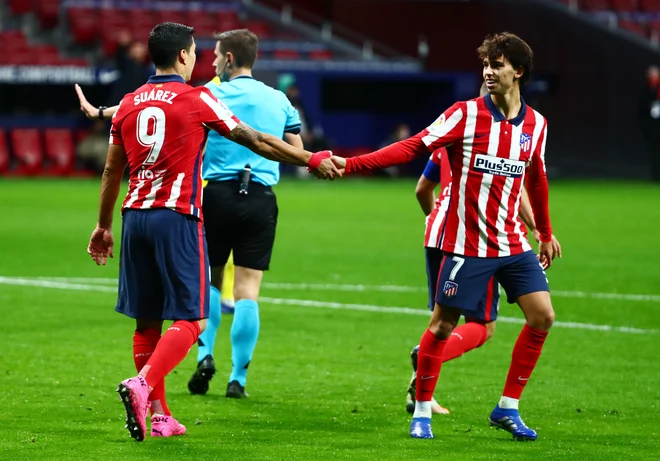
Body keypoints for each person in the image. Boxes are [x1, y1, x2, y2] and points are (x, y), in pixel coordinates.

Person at [86, 22, 338, 442]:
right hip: (178, 217)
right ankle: (143, 384)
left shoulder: (130, 102)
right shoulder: (198, 99)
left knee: (147, 322)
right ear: (184, 56)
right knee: (194, 318)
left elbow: (113, 170)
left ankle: (161, 416)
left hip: (134, 219)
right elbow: (256, 139)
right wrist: (310, 159)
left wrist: (102, 226)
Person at [331, 32, 558, 441]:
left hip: (510, 241)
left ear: (518, 71)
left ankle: (507, 408)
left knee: (542, 316)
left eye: (498, 64)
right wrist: (350, 164)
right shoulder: (464, 114)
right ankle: (421, 411)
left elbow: (536, 179)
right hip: (465, 244)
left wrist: (545, 231)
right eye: (486, 64)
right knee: (441, 326)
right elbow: (411, 147)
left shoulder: (536, 125)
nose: (488, 71)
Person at [405, 84, 561, 415]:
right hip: (476, 236)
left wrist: (433, 219)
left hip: (438, 233)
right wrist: (537, 229)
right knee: (481, 324)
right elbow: (512, 191)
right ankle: (426, 367)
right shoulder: (492, 135)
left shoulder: (447, 140)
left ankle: (425, 387)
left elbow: (422, 188)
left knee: (442, 318)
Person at [187, 29, 305, 399]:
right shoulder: (279, 99)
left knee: (210, 281)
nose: (213, 62)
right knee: (247, 290)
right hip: (260, 198)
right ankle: (238, 378)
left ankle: (204, 355)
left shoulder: (208, 94)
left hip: (217, 195)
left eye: (217, 56)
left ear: (230, 59)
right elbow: (297, 151)